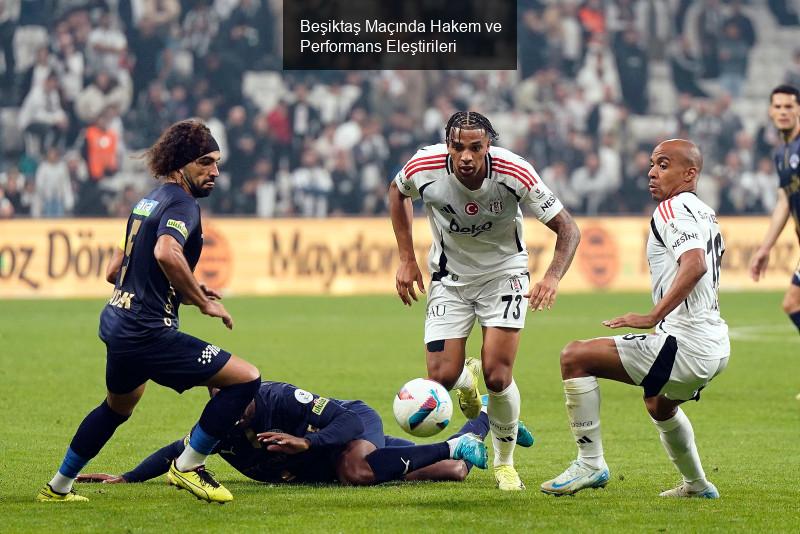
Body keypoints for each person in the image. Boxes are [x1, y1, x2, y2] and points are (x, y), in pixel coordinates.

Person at [37, 120, 261, 504]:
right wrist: (203, 301)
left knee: (115, 409)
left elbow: (114, 271)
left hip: (118, 322)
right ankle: (189, 465)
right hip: (147, 330)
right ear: (181, 163)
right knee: (245, 380)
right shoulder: (183, 204)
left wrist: (189, 285)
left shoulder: (147, 201)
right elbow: (165, 252)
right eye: (206, 163)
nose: (215, 172)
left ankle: (58, 486)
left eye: (217, 163)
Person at [388, 111, 581, 490]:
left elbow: (568, 228)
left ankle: (504, 463)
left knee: (498, 373)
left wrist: (553, 277)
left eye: (475, 147)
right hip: (449, 279)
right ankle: (465, 382)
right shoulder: (423, 166)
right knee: (440, 377)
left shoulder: (515, 172)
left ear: (487, 146)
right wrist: (407, 258)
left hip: (503, 276)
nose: (465, 156)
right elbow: (396, 192)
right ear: (448, 146)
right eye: (458, 147)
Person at [540, 139, 729, 499]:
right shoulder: (706, 212)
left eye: (663, 165)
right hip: (714, 345)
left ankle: (590, 463)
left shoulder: (672, 209)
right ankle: (698, 485)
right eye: (652, 164)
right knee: (660, 404)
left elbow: (695, 264)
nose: (651, 172)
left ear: (690, 173)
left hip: (685, 344)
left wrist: (652, 316)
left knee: (574, 357)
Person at [76, 382, 537, 487]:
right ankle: (489, 423)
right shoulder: (223, 426)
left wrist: (307, 441)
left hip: (348, 431)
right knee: (454, 473)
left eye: (235, 400)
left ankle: (458, 440)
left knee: (356, 468)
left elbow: (351, 423)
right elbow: (178, 451)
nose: (231, 409)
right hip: (324, 463)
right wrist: (128, 478)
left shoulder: (280, 399)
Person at [749, 85, 800, 372]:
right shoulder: (782, 154)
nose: (783, 112)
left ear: (799, 110)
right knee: (793, 304)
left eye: (789, 106)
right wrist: (765, 248)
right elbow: (784, 201)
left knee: (793, 302)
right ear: (770, 111)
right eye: (778, 107)